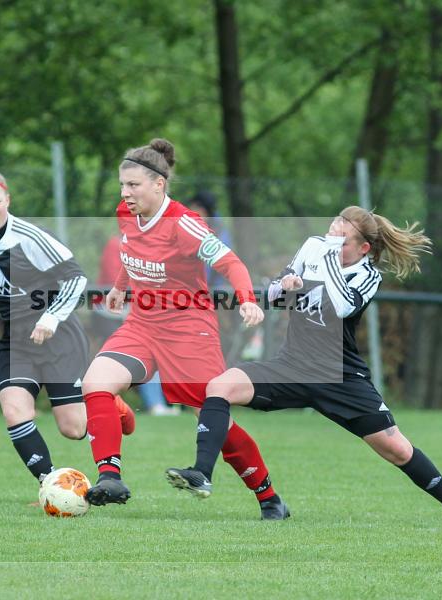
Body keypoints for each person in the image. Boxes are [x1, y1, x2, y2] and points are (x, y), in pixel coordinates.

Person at [167, 206, 442, 523]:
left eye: (342, 239)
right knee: (219, 387)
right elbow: (274, 295)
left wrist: (326, 260)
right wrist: (289, 283)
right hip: (292, 367)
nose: (331, 239)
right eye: (333, 228)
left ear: (363, 248)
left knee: (397, 449)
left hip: (340, 378)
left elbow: (342, 306)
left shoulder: (367, 275)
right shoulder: (313, 248)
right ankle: (201, 474)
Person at [81, 138, 289, 520]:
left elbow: (232, 263)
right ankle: (110, 477)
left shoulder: (186, 225)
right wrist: (119, 287)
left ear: (159, 184)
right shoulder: (125, 213)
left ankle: (269, 496)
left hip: (189, 329)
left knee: (212, 419)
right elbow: (134, 252)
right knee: (95, 382)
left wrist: (245, 298)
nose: (125, 193)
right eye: (122, 185)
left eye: (133, 185)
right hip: (142, 324)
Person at [0, 156, 134, 491]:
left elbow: (76, 278)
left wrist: (50, 317)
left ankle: (110, 404)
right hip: (16, 342)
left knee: (73, 428)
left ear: (7, 200)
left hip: (59, 337)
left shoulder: (31, 237)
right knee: (13, 410)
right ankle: (51, 484)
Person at [91, 234, 178, 416]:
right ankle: (151, 404)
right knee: (139, 353)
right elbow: (115, 281)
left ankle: (157, 403)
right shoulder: (116, 245)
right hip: (109, 315)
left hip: (133, 312)